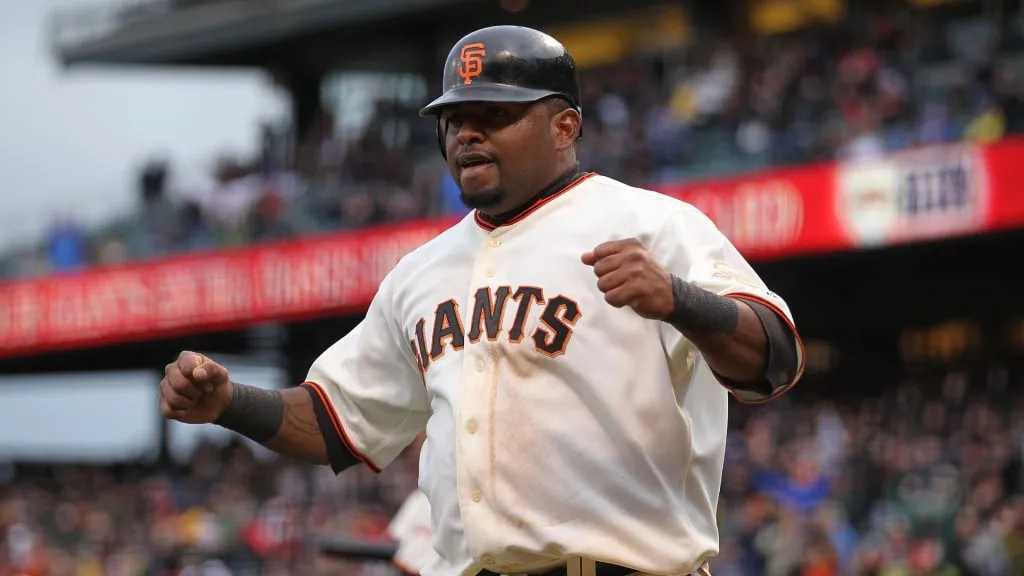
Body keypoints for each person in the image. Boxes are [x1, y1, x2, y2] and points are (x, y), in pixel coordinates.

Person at [159, 25, 805, 576]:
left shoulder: (653, 225)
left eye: (494, 115)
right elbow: (333, 422)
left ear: (565, 125)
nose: (467, 134)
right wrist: (226, 403)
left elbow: (774, 359)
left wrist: (679, 301)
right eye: (454, 119)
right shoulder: (419, 274)